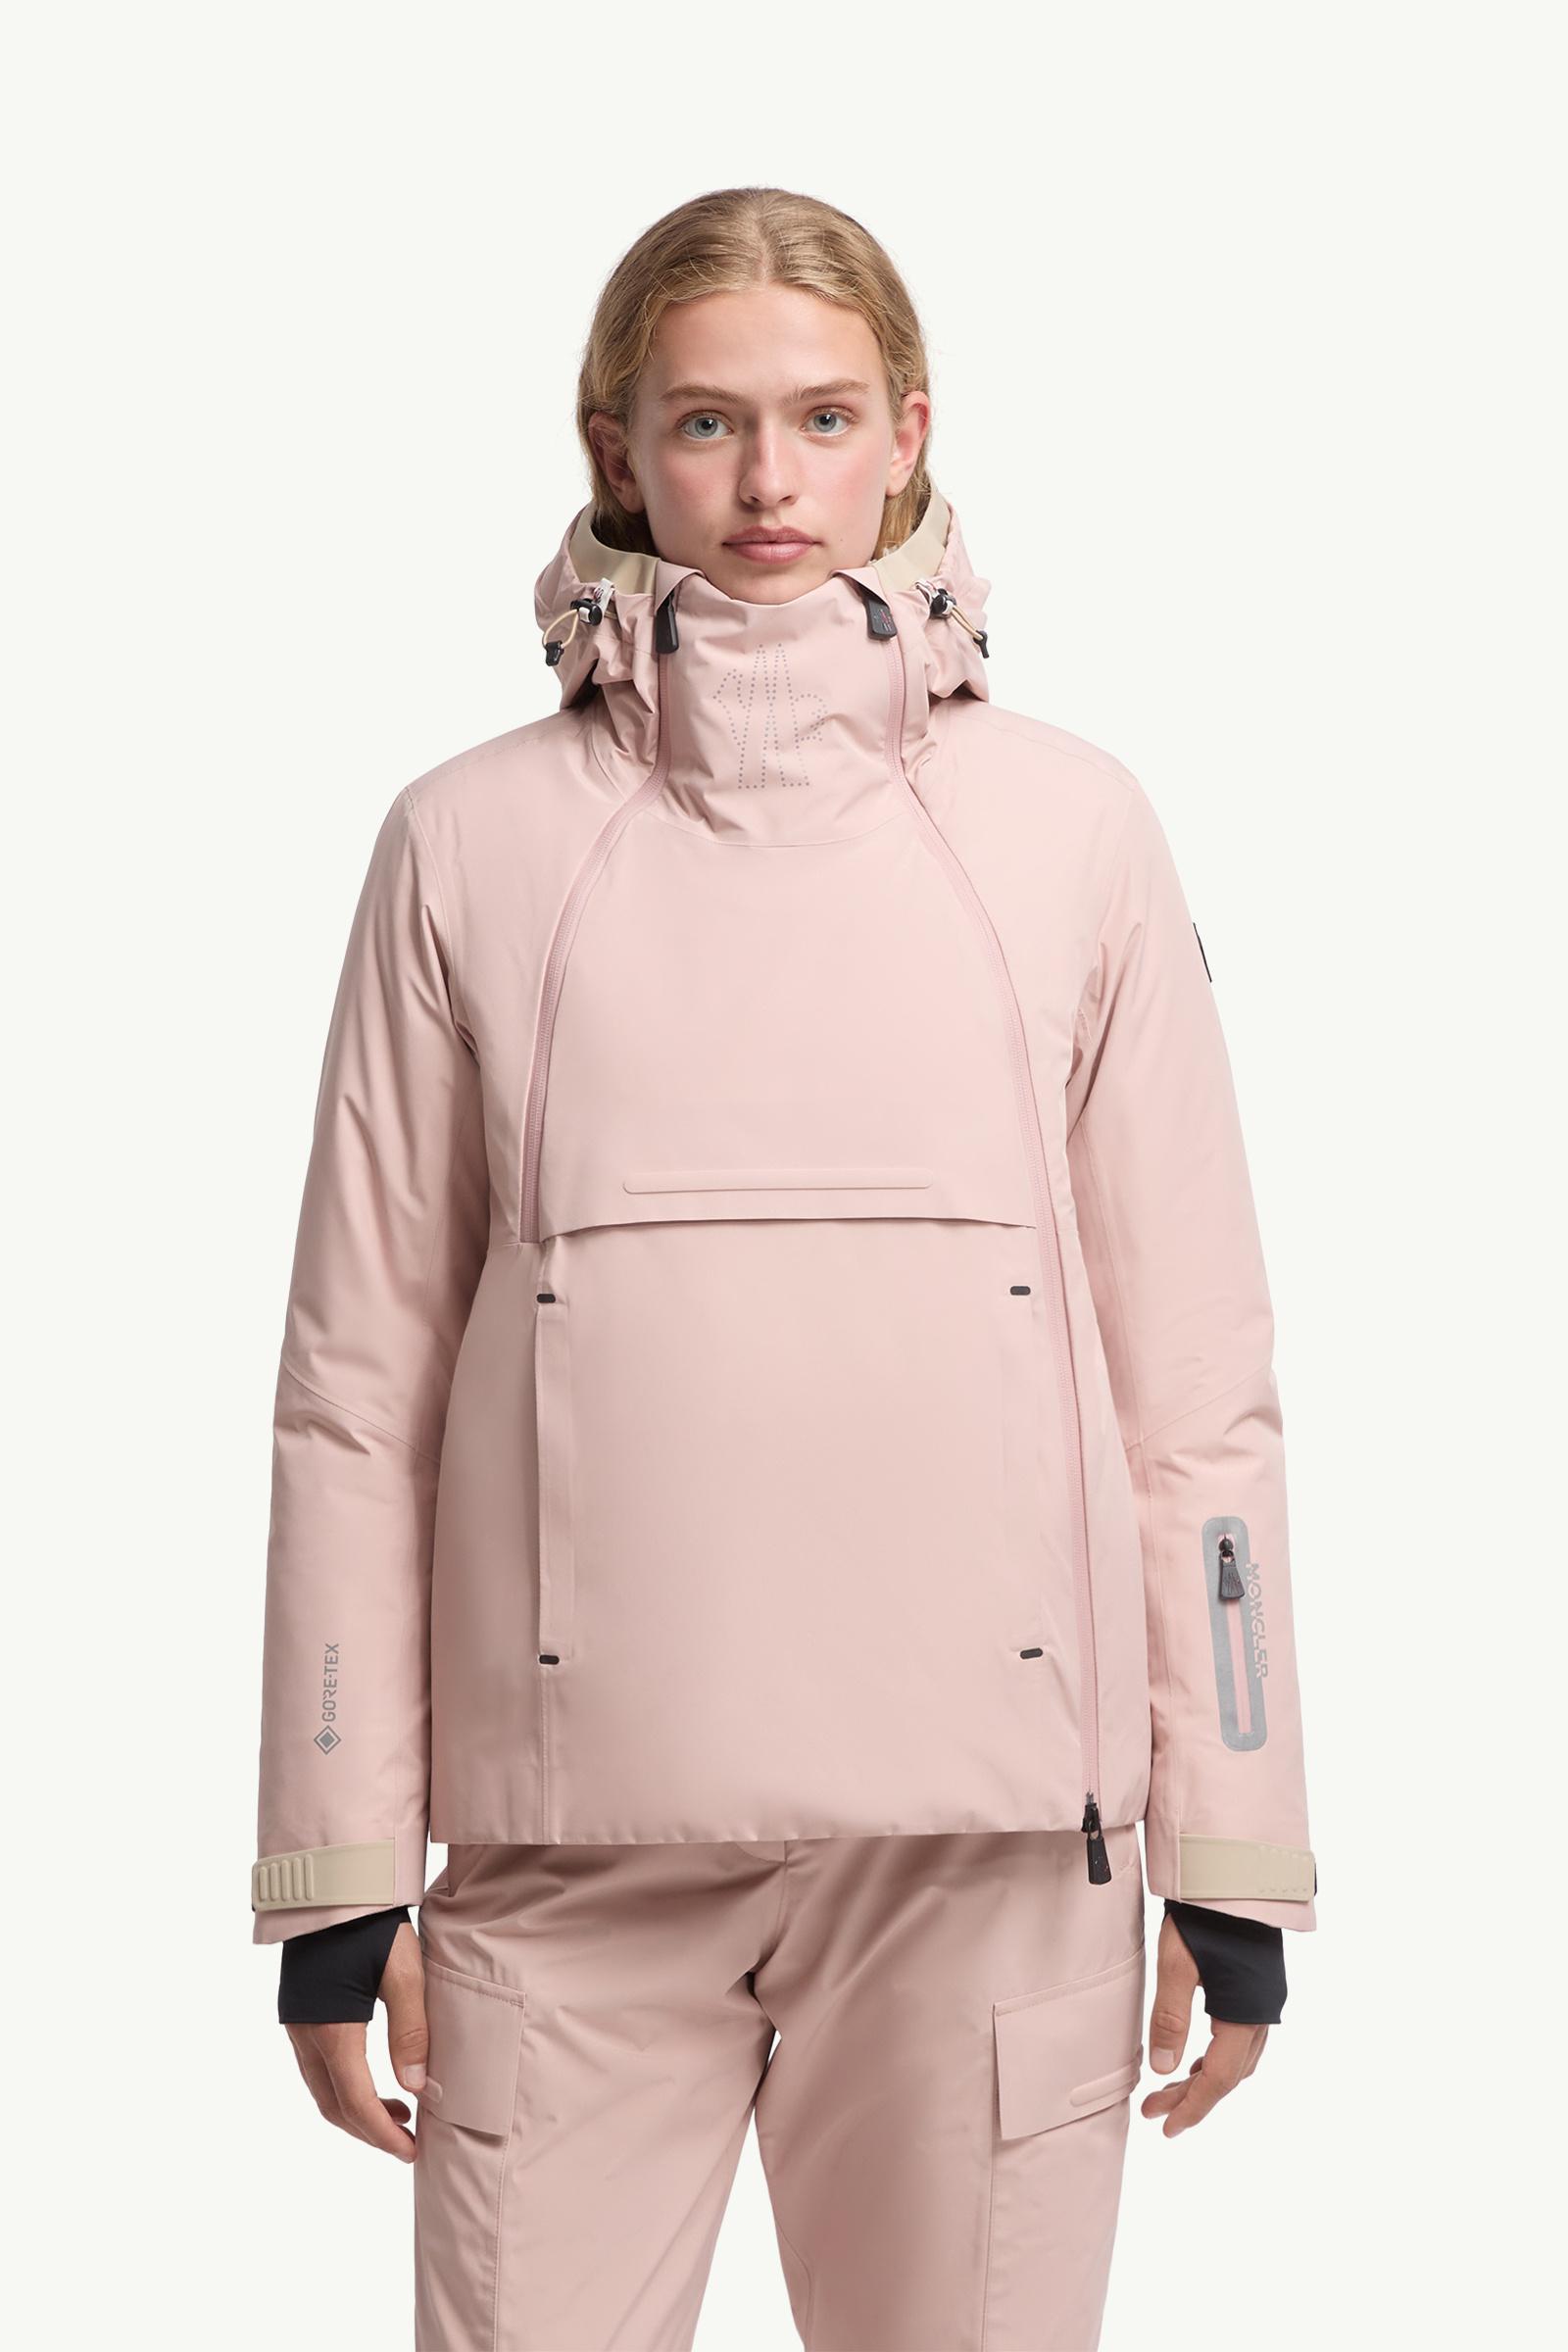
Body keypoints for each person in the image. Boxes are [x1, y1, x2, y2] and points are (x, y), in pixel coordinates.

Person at [253, 185, 1316, 2351]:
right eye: (707, 421)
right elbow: (358, 1391)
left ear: (909, 434)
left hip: (990, 1869)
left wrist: (1235, 1837)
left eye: (823, 418)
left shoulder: (1073, 830)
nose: (767, 481)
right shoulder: (465, 842)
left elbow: (1191, 1380)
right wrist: (334, 1871)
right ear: (616, 443)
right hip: (566, 1870)